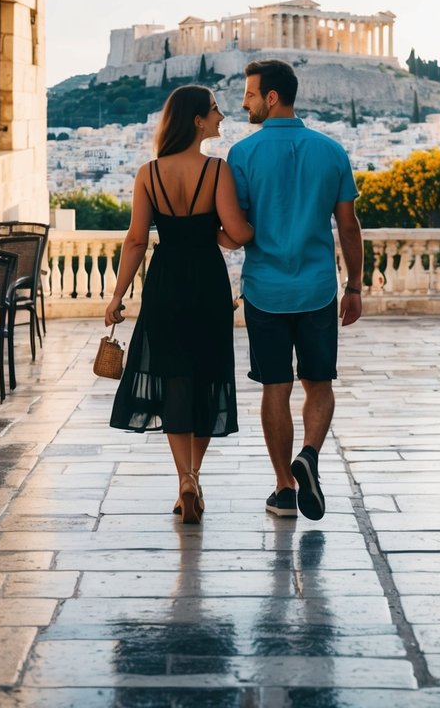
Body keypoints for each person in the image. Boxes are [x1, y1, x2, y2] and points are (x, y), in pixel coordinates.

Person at [105, 84, 253, 524]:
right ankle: (194, 475)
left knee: (174, 380)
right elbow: (239, 234)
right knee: (207, 376)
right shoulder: (217, 171)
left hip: (165, 283)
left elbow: (135, 240)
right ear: (196, 120)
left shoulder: (148, 174)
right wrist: (215, 234)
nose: (222, 116)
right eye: (214, 110)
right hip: (206, 282)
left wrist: (117, 296)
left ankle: (183, 478)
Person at [227, 59, 363, 521]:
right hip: (319, 289)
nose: (243, 102)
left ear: (270, 97)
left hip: (265, 289)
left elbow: (237, 227)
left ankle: (285, 487)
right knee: (319, 384)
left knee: (275, 388)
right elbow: (349, 226)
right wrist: (355, 287)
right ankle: (309, 454)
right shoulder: (331, 151)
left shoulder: (242, 156)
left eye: (248, 94)